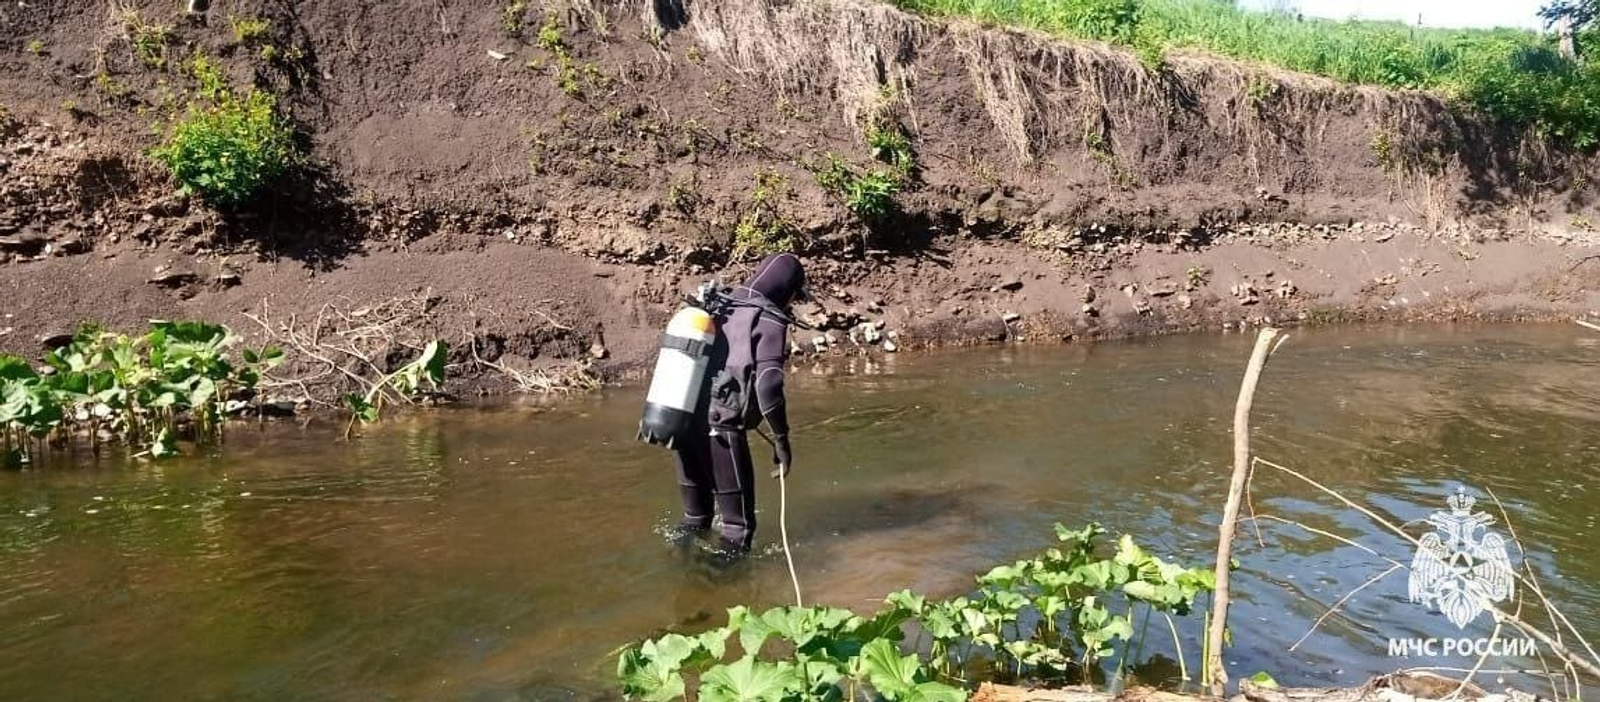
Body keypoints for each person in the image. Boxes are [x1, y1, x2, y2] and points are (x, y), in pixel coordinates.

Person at [672, 252, 807, 555]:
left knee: (695, 519)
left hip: (681, 419)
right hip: (722, 430)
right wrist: (781, 440)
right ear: (787, 290)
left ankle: (682, 582)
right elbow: (768, 385)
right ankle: (724, 597)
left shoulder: (717, 301)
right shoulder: (768, 317)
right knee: (737, 528)